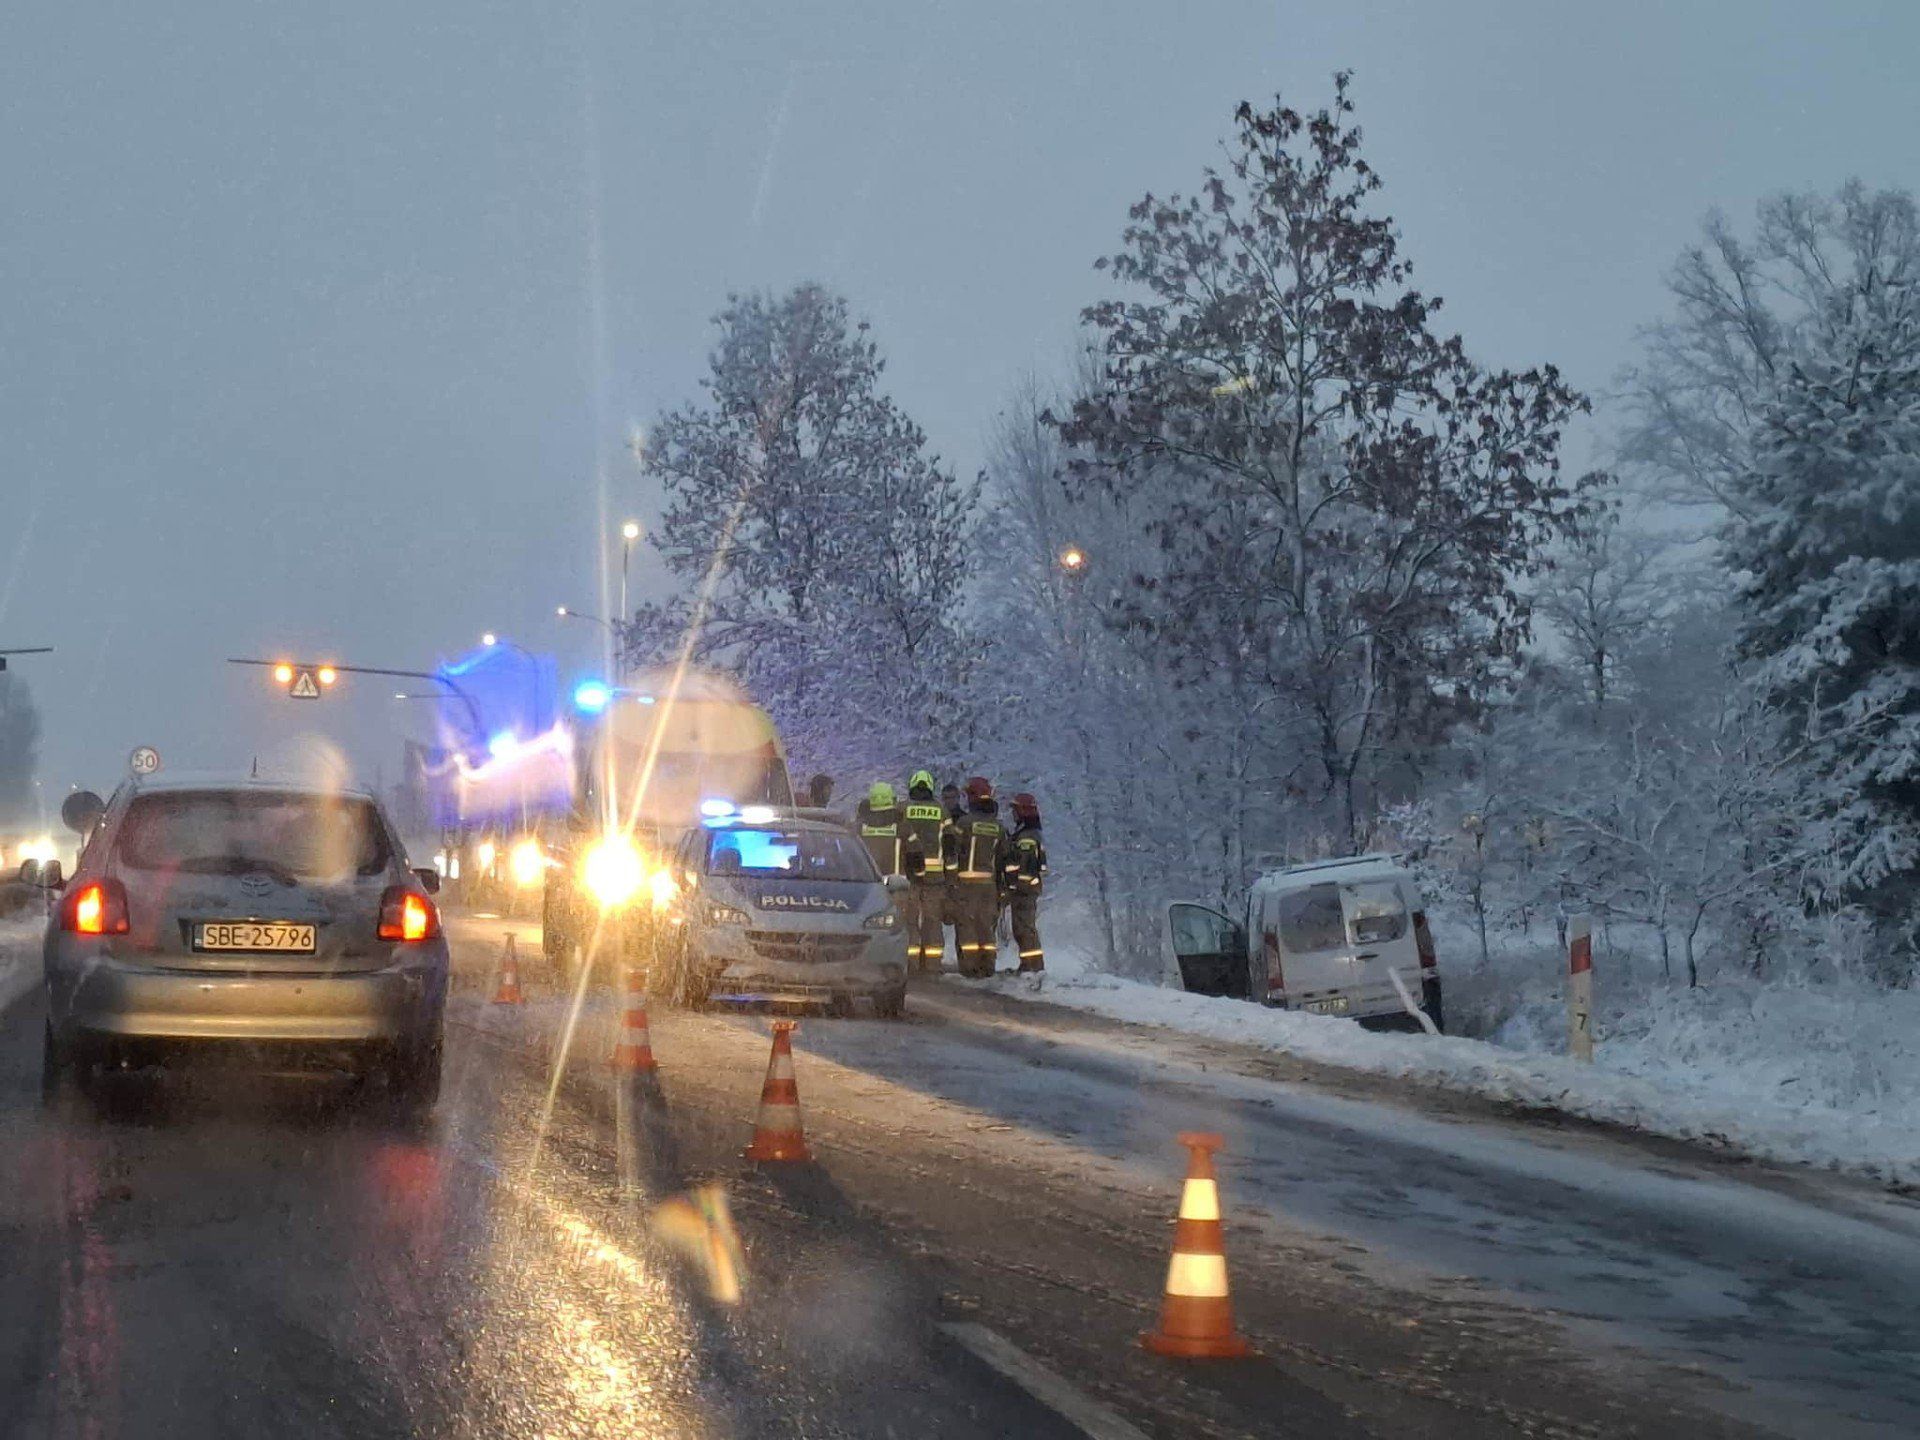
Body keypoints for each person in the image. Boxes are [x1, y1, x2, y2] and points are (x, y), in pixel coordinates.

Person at [943, 776, 1009, 979]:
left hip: (966, 884)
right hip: (989, 885)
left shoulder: (964, 823)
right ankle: (987, 966)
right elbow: (1004, 859)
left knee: (967, 925)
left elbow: (951, 852)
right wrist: (1003, 888)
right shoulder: (999, 827)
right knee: (986, 926)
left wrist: (951, 880)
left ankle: (970, 967)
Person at [900, 770, 946, 973]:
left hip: (908, 876)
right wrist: (951, 877)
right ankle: (932, 965)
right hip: (935, 878)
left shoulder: (902, 809)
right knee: (932, 921)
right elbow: (951, 844)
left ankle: (911, 964)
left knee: (909, 920)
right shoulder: (942, 812)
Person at [1004, 793, 1048, 985]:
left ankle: (1034, 967)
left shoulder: (1027, 837)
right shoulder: (1026, 833)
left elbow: (1026, 867)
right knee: (1021, 928)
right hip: (1024, 890)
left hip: (1025, 891)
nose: (1013, 814)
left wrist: (1015, 886)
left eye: (1015, 810)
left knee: (1025, 928)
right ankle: (1027, 965)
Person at [854, 781, 904, 877]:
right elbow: (913, 852)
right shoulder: (901, 826)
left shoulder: (857, 829)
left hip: (865, 880)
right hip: (894, 881)